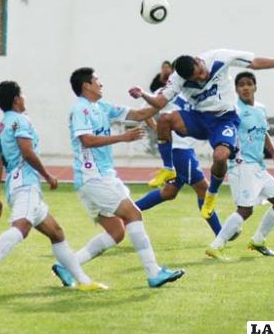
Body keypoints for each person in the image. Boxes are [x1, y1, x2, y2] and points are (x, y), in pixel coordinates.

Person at [129, 49, 274, 220]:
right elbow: (159, 102)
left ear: (199, 60)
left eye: (201, 72)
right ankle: (168, 169)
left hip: (224, 119)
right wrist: (142, 94)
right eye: (196, 78)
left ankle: (212, 194)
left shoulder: (219, 58)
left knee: (220, 157)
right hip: (199, 119)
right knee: (165, 119)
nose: (202, 78)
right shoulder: (177, 80)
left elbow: (255, 62)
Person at [52, 67, 184, 289]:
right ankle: (153, 272)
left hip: (94, 179)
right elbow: (87, 140)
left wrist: (156, 96)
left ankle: (68, 266)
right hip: (95, 177)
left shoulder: (102, 107)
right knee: (133, 214)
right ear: (86, 85)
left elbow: (140, 115)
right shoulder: (81, 109)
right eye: (97, 80)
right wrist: (123, 137)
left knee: (116, 232)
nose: (101, 84)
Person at [0, 81, 106, 292]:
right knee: (21, 227)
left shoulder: (1, 126)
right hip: (26, 184)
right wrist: (47, 175)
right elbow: (27, 152)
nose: (24, 98)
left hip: (15, 185)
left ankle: (84, 282)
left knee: (57, 233)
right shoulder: (21, 121)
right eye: (22, 95)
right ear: (16, 99)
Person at [205, 71, 274, 259]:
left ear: (255, 87)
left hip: (258, 167)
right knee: (246, 210)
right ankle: (216, 246)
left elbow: (264, 132)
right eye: (241, 84)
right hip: (242, 166)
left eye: (248, 84)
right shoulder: (234, 110)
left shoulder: (260, 109)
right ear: (236, 89)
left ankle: (258, 240)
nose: (245, 87)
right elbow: (223, 130)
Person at [136, 94, 224, 238]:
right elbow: (144, 111)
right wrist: (158, 128)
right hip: (180, 151)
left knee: (169, 192)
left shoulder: (194, 92)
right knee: (204, 189)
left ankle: (127, 212)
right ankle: (221, 235)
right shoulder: (169, 93)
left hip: (184, 150)